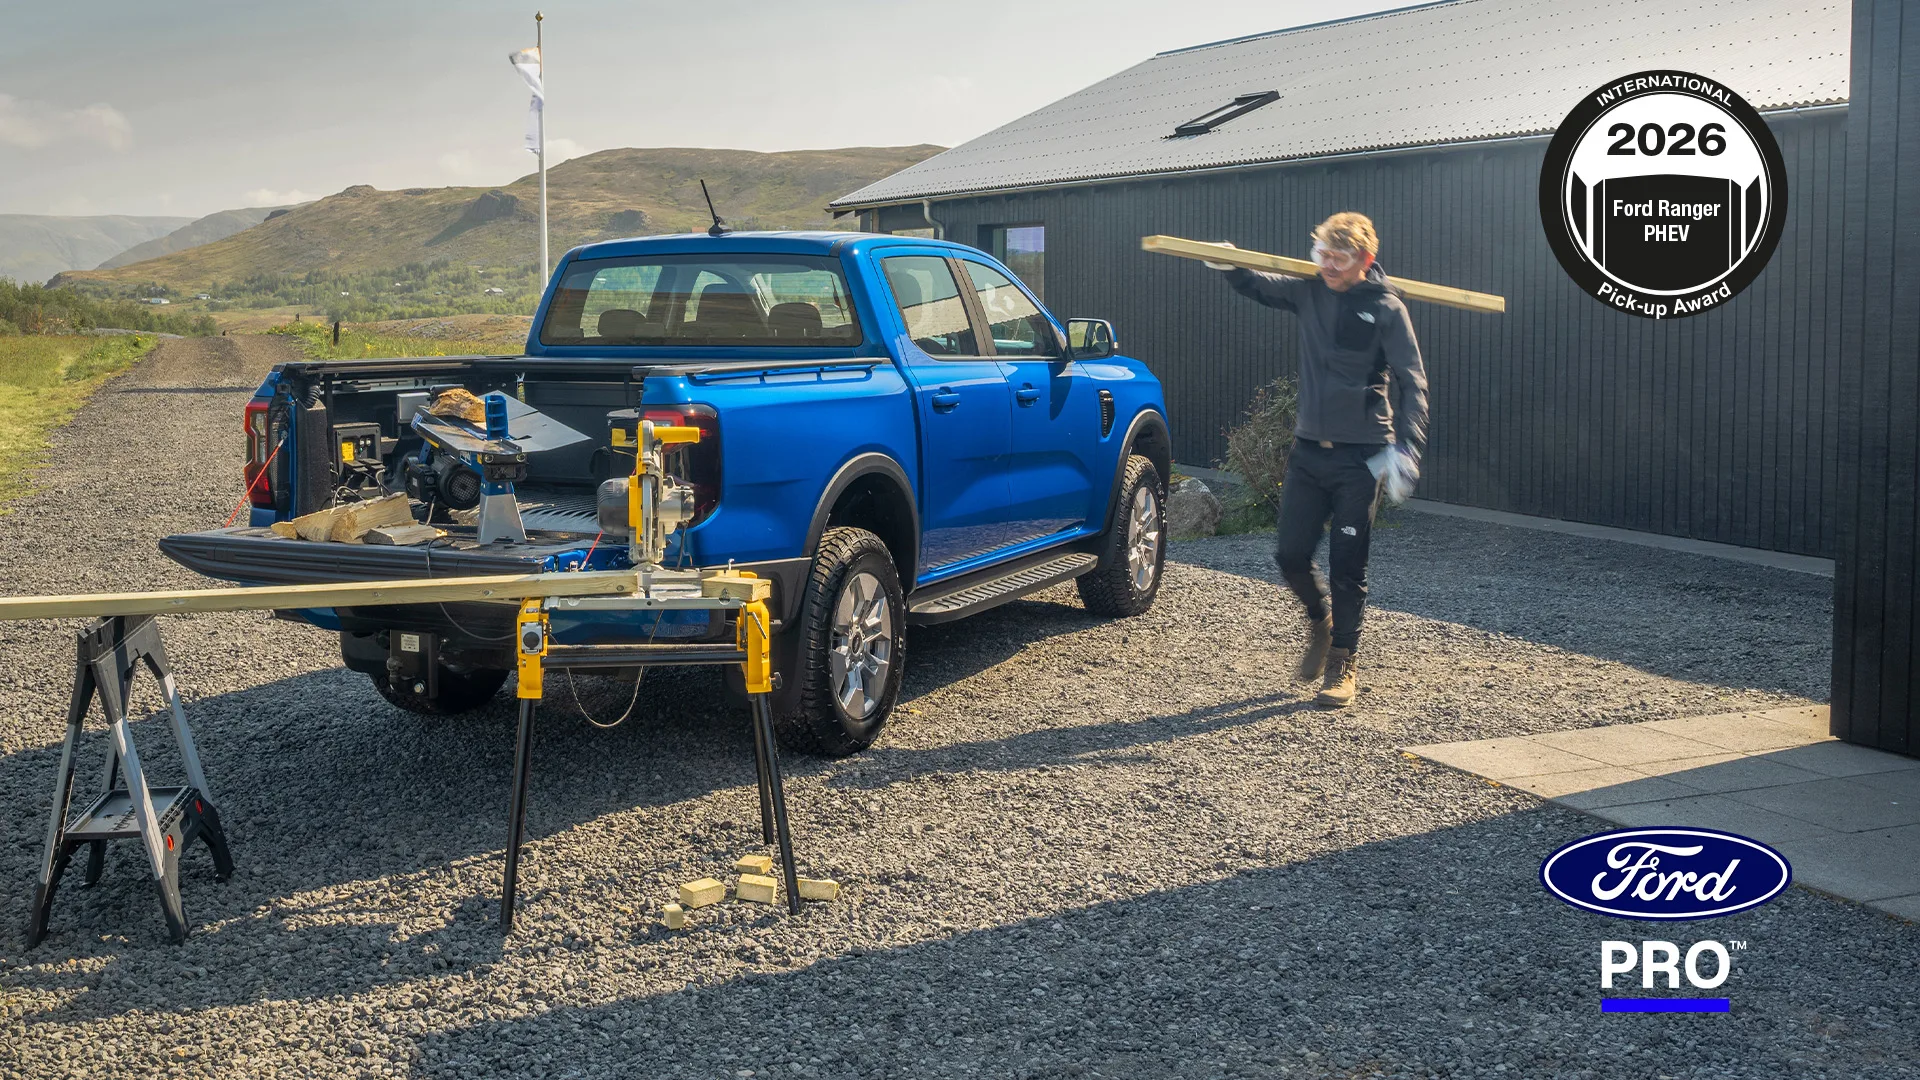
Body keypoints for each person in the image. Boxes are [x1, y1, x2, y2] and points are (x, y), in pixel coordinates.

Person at [1208, 212, 1428, 707]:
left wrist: (1407, 448)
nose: (1327, 265)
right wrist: (1226, 262)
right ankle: (1321, 623)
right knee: (1289, 555)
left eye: (1339, 257)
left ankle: (1343, 662)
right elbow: (1257, 284)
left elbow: (1413, 382)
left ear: (1364, 260)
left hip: (1362, 456)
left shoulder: (1387, 308)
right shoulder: (1308, 292)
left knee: (1348, 565)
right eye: (1321, 254)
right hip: (1308, 451)